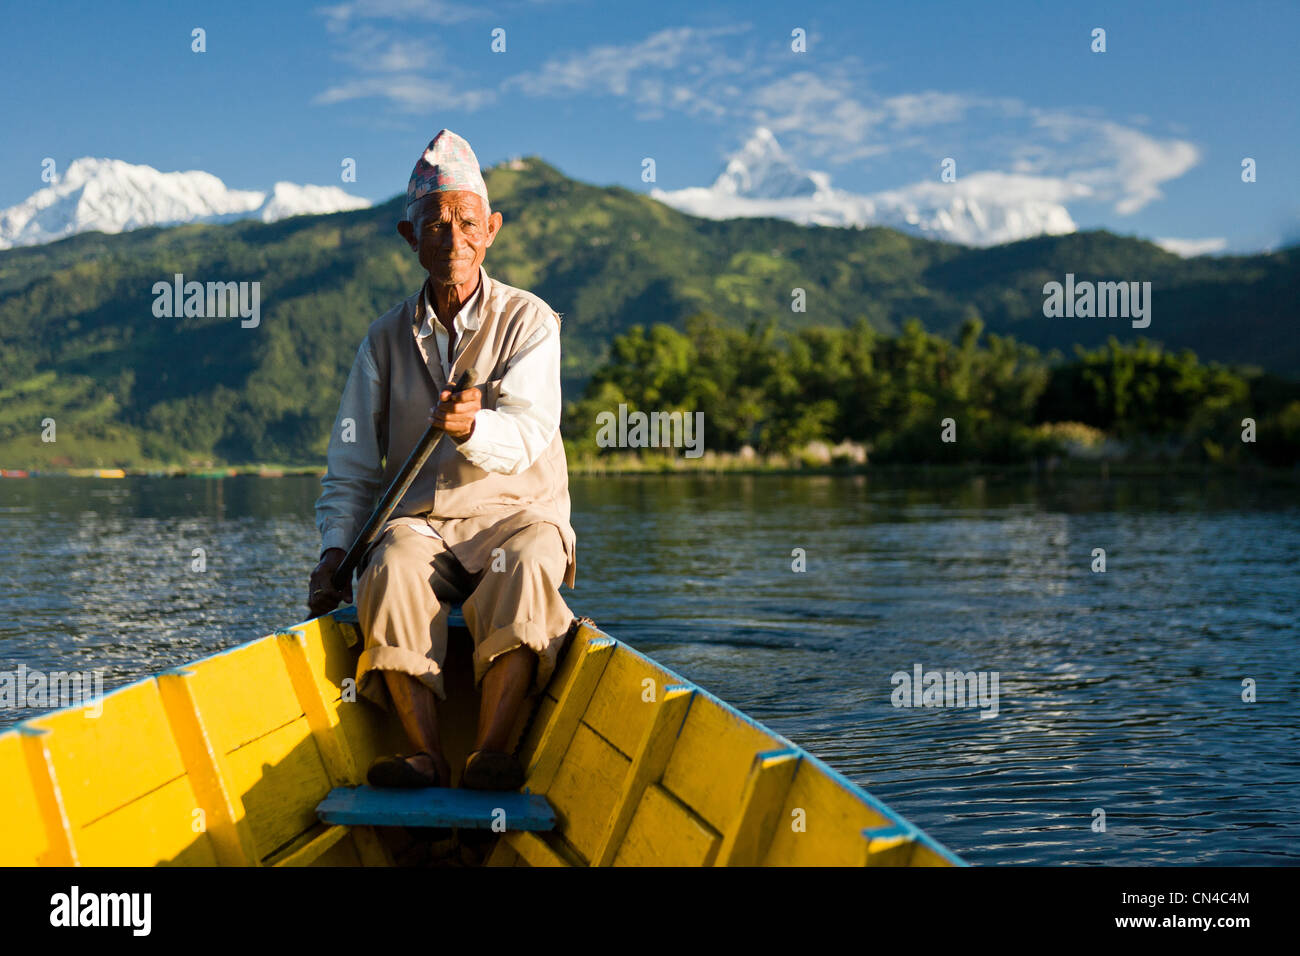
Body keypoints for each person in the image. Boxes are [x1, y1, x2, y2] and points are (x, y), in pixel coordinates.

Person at [308, 129, 576, 791]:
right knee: (391, 562)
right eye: (436, 224)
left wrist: (470, 427)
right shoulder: (382, 341)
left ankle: (490, 751)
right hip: (422, 527)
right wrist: (334, 553)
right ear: (410, 237)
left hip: (514, 518)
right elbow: (353, 467)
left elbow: (526, 435)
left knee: (532, 561)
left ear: (492, 231)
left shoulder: (530, 320)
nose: (453, 238)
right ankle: (423, 753)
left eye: (467, 223)